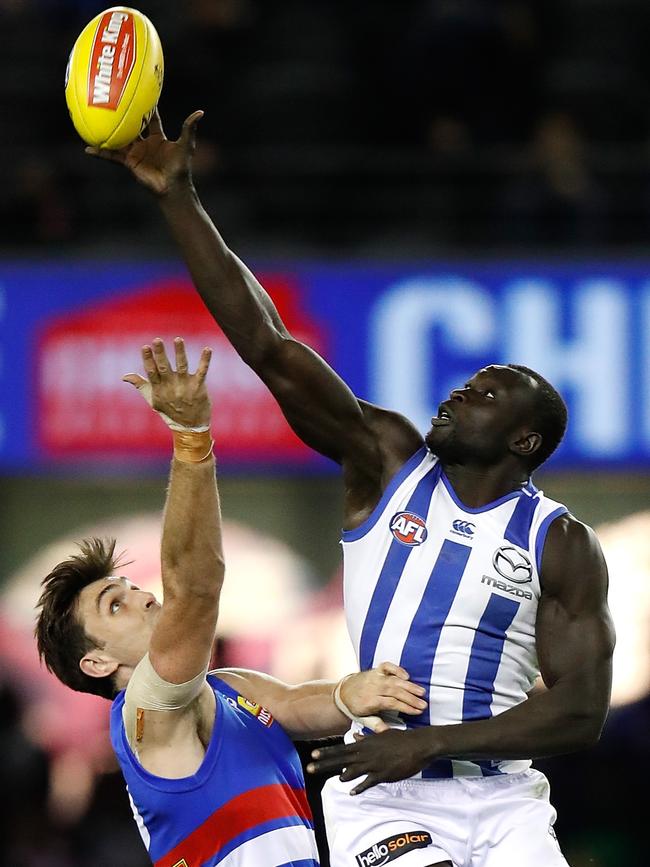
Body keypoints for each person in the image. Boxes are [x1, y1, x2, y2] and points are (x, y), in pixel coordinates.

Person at [86, 115, 615, 867]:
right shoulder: (387, 460)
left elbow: (580, 712)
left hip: (505, 800)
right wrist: (179, 199)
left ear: (524, 442)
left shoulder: (560, 541)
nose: (460, 394)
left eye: (486, 394)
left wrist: (434, 741)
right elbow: (271, 347)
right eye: (466, 383)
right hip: (386, 795)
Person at [34, 337, 429, 867]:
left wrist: (350, 695)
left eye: (130, 588)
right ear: (98, 662)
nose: (144, 596)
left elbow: (292, 705)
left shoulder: (230, 687)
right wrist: (192, 440)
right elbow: (195, 588)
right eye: (115, 605)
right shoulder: (146, 710)